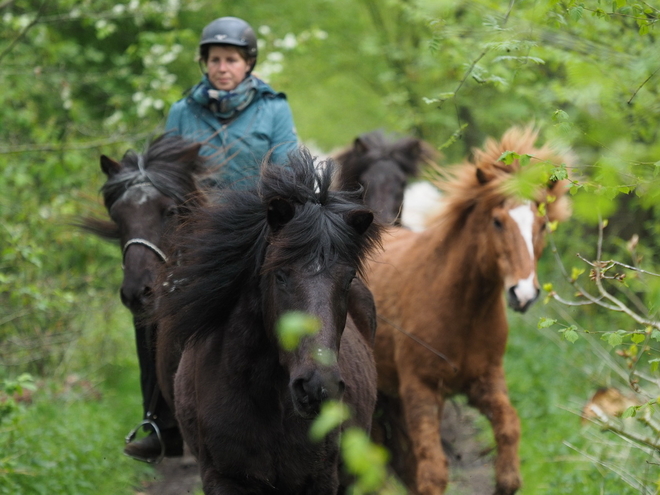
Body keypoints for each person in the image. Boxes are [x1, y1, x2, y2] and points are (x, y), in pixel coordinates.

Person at [123, 15, 299, 462]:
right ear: (205, 64)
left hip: (257, 227)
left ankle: (340, 396)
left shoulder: (273, 109)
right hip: (199, 232)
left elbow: (288, 166)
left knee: (317, 287)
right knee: (152, 302)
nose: (223, 67)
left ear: (248, 64)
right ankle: (160, 421)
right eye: (215, 59)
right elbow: (166, 175)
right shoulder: (182, 111)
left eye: (232, 59)